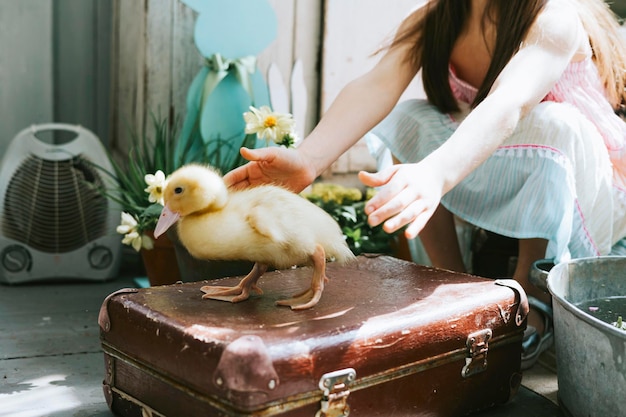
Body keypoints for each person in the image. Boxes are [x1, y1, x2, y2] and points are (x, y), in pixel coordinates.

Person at [225, 0, 626, 364]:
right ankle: (458, 287)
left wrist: (435, 173)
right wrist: (310, 159)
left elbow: (510, 102)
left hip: (584, 180)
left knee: (553, 123)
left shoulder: (553, 19)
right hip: (497, 156)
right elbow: (377, 84)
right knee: (410, 117)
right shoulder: (437, 18)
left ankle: (531, 298)